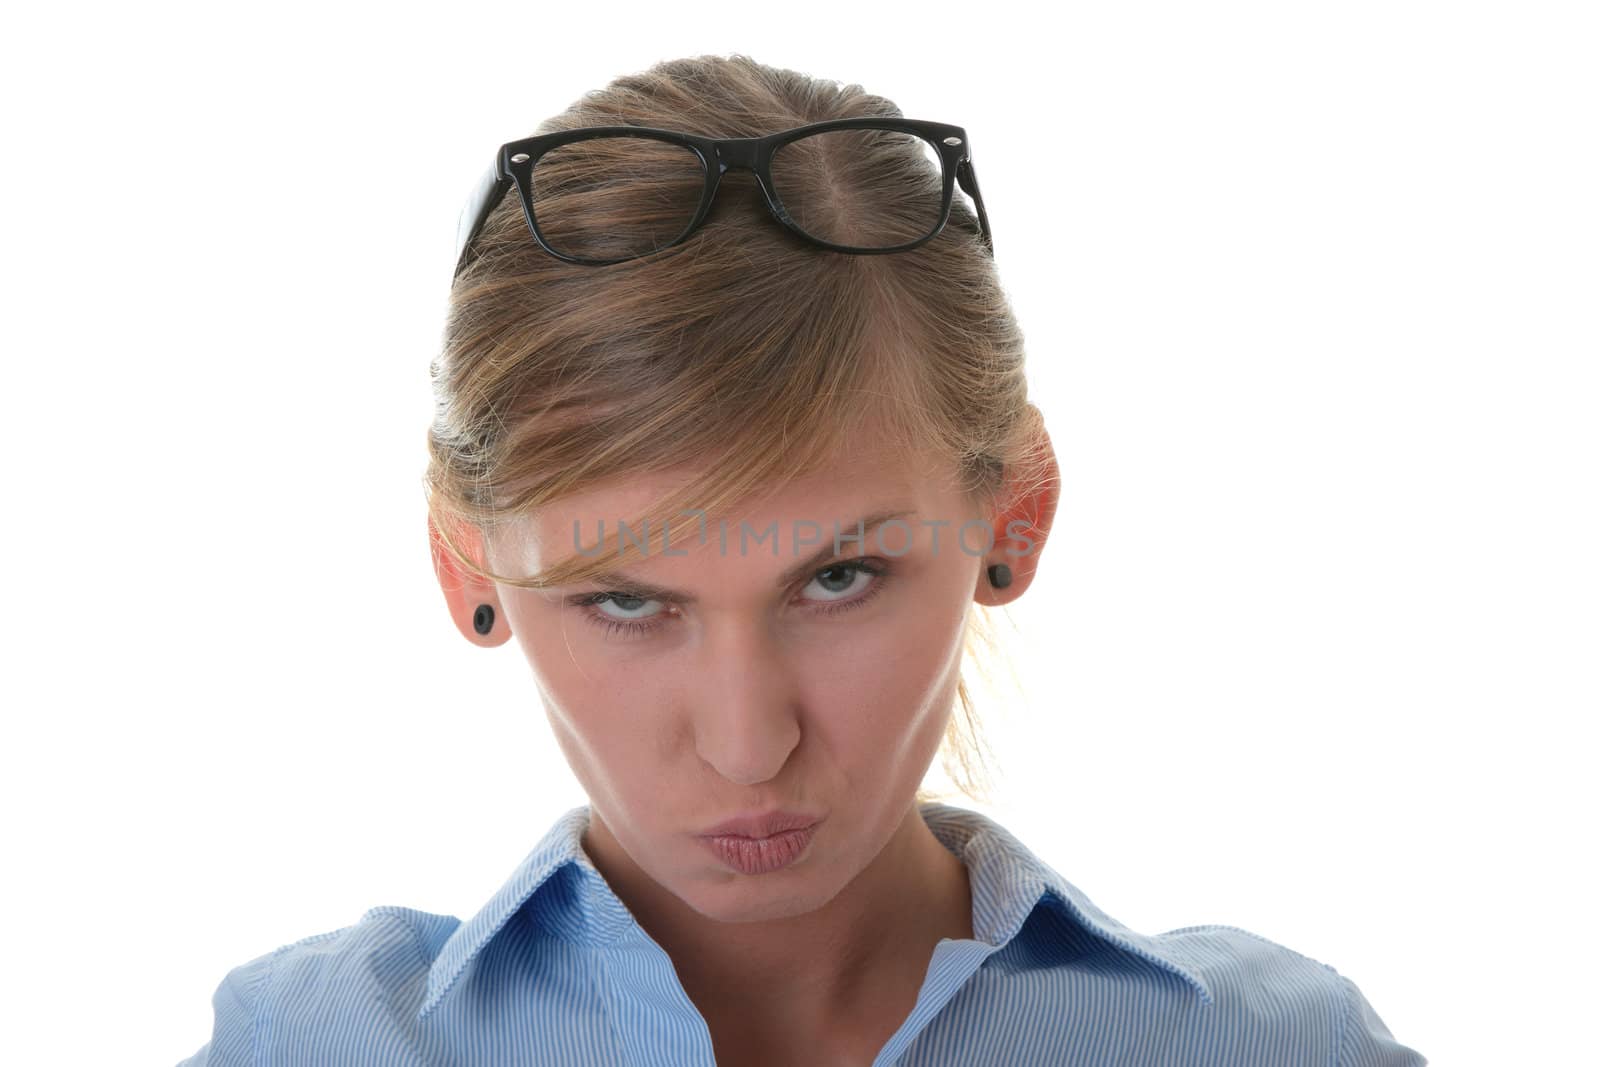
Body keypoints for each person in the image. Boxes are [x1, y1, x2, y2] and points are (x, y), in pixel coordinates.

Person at [180, 52, 1426, 1067]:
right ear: (468, 566)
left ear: (1017, 517)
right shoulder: (313, 1047)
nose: (745, 743)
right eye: (624, 598)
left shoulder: (1276, 1049)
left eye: (838, 578)